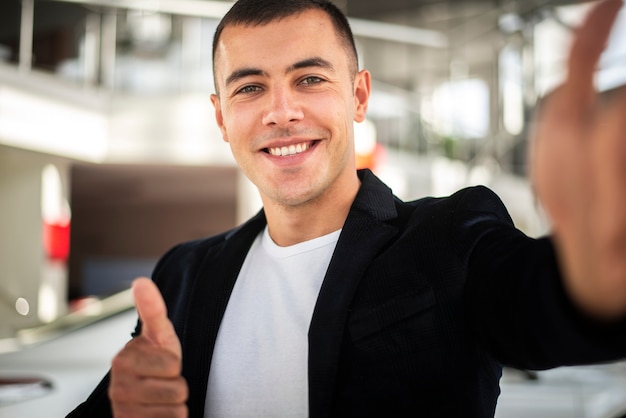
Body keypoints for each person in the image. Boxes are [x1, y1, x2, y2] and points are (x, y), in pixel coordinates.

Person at [68, 0, 626, 416]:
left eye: (309, 79)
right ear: (221, 118)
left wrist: (593, 274)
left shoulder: (447, 236)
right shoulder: (184, 274)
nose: (281, 112)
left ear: (359, 96)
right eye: (249, 88)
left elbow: (541, 307)